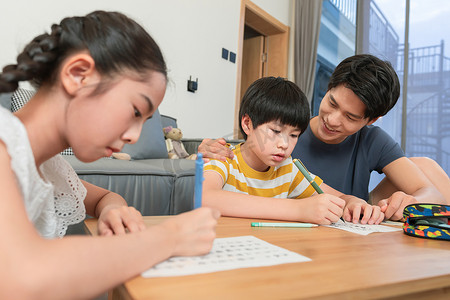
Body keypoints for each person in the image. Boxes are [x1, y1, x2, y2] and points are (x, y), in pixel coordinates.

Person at [0, 11, 219, 299]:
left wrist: (113, 210)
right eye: (136, 112)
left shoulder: (51, 167)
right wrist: (169, 237)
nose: (134, 136)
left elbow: (104, 197)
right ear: (78, 74)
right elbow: (22, 276)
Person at [199, 54, 450, 221]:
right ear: (328, 88)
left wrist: (360, 202)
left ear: (370, 120)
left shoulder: (291, 168)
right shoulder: (281, 143)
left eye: (351, 117)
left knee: (425, 164)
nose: (332, 119)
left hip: (347, 223)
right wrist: (206, 149)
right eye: (331, 103)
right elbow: (245, 151)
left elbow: (432, 191)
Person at [202, 76, 384, 225]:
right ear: (247, 124)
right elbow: (205, 198)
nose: (284, 144)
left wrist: (355, 203)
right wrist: (299, 210)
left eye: (294, 135)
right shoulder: (222, 157)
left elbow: (340, 197)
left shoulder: (288, 170)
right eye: (275, 131)